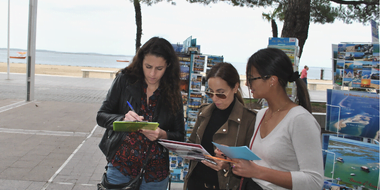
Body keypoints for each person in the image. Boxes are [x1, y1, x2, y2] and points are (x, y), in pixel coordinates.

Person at [97, 37, 185, 189]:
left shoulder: (173, 92)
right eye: (148, 66)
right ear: (141, 61)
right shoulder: (124, 80)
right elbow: (101, 116)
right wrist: (122, 119)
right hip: (120, 168)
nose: (152, 74)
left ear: (168, 66)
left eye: (159, 69)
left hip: (155, 176)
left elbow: (180, 136)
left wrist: (162, 134)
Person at [230, 48, 323, 190]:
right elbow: (263, 162)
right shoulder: (261, 115)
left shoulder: (300, 120)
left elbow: (314, 181)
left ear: (272, 80)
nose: (248, 84)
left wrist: (257, 171)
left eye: (251, 78)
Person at [184, 62, 257, 190]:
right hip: (195, 184)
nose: (215, 98)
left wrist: (228, 164)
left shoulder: (249, 120)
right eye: (210, 93)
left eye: (221, 93)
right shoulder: (204, 112)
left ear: (235, 88)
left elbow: (253, 165)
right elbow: (192, 143)